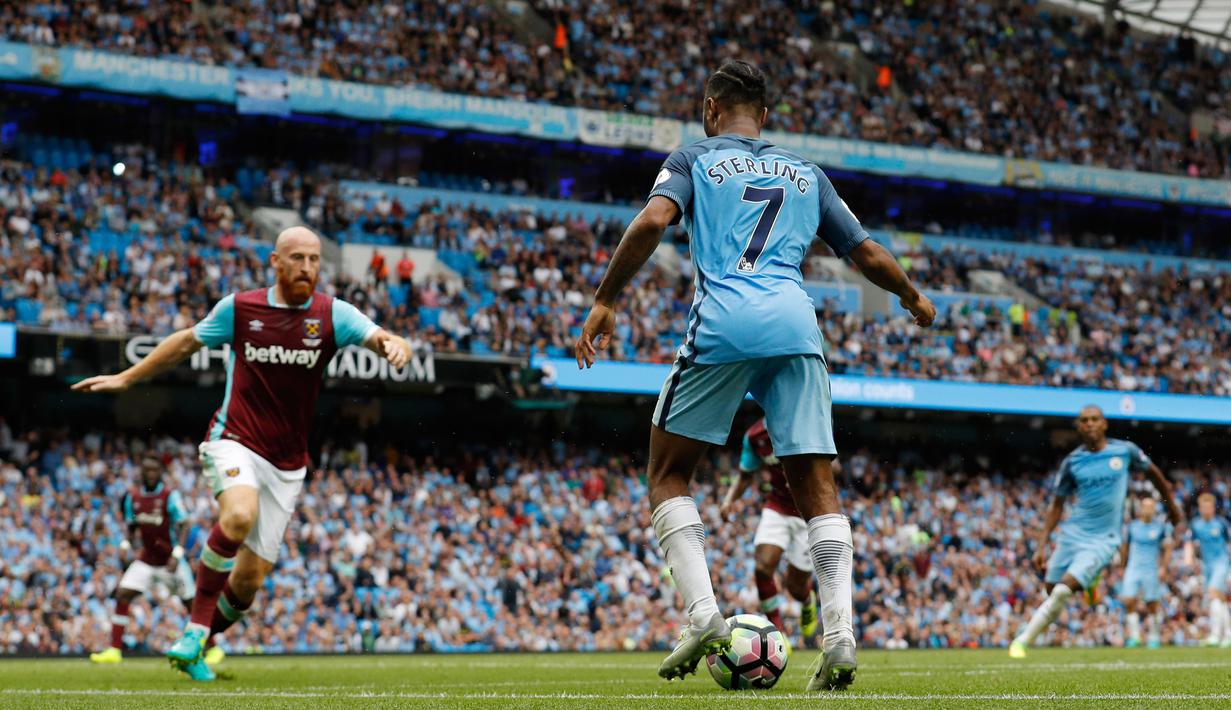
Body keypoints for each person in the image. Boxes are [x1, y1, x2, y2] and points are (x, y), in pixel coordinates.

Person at [574, 59, 935, 691]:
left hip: (725, 323)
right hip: (796, 328)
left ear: (711, 110)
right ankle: (841, 637)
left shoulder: (693, 159)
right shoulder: (806, 172)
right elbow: (867, 252)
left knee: (667, 473)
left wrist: (606, 299)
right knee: (815, 484)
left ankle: (704, 614)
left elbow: (653, 221)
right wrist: (909, 295)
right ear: (764, 117)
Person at [72, 227, 412, 681]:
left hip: (288, 463)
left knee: (248, 585)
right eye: (297, 259)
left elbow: (380, 336)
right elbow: (187, 341)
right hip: (234, 438)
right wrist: (128, 378)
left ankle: (198, 645)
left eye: (313, 260)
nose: (307, 268)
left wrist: (397, 343)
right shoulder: (241, 308)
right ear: (275, 261)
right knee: (237, 516)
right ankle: (195, 630)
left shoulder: (333, 314)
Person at [1009, 406, 1182, 658]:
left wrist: (1172, 507)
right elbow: (1056, 505)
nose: (1089, 424)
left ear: (1104, 424)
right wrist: (1041, 544)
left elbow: (1154, 473)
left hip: (1104, 539)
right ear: (1078, 427)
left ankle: (1022, 641)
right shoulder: (1072, 462)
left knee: (1061, 591)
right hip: (1072, 535)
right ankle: (1090, 583)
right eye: (1084, 421)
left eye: (1094, 419)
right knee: (1050, 589)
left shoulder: (1124, 451)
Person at [90, 455, 196, 664]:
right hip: (147, 560)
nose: (150, 474)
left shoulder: (169, 496)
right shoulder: (133, 497)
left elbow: (185, 523)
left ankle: (211, 648)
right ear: (141, 473)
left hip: (169, 562)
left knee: (192, 604)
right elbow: (132, 526)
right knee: (122, 593)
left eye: (154, 470)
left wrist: (178, 553)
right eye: (146, 471)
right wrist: (125, 545)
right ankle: (114, 650)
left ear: (160, 473)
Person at [720, 417, 818, 642]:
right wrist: (728, 500)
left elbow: (833, 467)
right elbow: (746, 474)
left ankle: (807, 600)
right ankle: (778, 633)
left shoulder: (805, 422)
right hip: (777, 506)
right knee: (763, 568)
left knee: (795, 587)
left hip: (807, 511)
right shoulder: (754, 436)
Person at [1119, 496, 1173, 649]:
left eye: (1151, 506)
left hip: (1151, 569)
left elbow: (1168, 548)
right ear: (1141, 509)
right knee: (1129, 601)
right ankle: (1135, 636)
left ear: (1154, 509)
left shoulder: (1160, 527)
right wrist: (1122, 567)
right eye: (1145, 506)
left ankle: (1154, 637)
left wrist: (1163, 567)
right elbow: (1125, 547)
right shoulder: (1132, 526)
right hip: (1133, 568)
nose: (1148, 509)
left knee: (1152, 604)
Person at [1186, 492, 1231, 646]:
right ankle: (1228, 635)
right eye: (1203, 507)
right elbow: (1190, 543)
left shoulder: (1222, 524)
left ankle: (1215, 635)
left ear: (1213, 508)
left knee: (1213, 593)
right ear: (1199, 508)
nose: (1206, 510)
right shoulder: (1196, 524)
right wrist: (1189, 559)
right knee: (1221, 599)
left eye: (1208, 507)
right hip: (1207, 566)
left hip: (1221, 563)